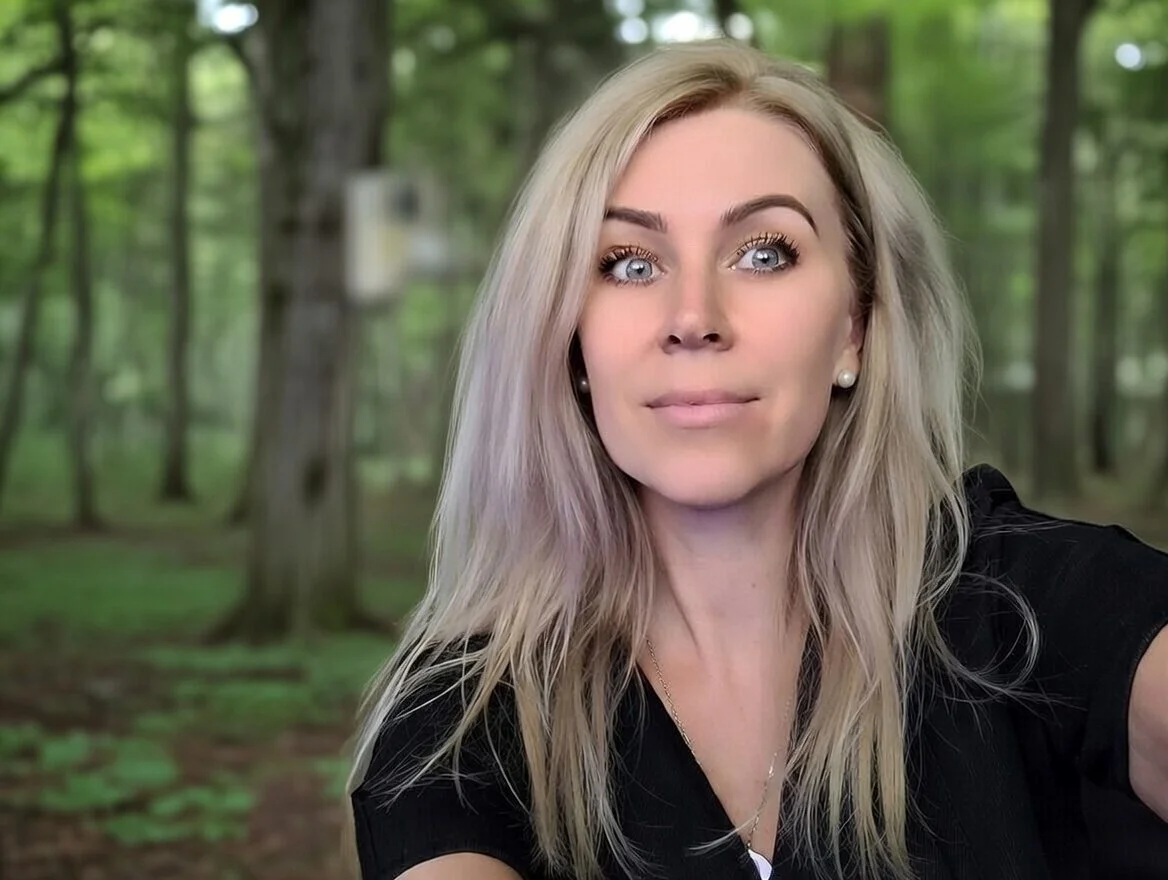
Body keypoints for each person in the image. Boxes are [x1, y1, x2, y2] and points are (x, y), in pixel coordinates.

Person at [346, 39, 1168, 880]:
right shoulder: (464, 720)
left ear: (854, 328)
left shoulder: (1024, 603)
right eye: (629, 263)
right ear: (570, 340)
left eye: (763, 253)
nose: (693, 318)